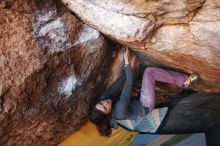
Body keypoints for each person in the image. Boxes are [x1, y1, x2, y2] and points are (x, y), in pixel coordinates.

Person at [89, 48, 199, 137]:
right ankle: (185, 80)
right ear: (108, 113)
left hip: (136, 100)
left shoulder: (104, 97)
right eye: (105, 107)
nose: (105, 102)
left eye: (100, 103)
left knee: (146, 76)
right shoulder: (119, 110)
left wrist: (124, 68)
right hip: (145, 106)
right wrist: (127, 62)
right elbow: (129, 82)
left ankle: (180, 80)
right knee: (149, 72)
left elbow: (118, 82)